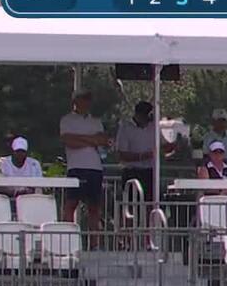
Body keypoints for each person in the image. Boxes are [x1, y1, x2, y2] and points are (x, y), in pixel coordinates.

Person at [59, 91, 109, 231]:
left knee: (94, 207)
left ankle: (94, 244)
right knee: (71, 204)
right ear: (75, 101)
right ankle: (66, 238)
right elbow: (68, 141)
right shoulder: (67, 120)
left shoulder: (95, 121)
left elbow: (102, 140)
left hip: (95, 168)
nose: (87, 102)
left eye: (88, 99)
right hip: (76, 167)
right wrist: (91, 140)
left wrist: (81, 138)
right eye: (83, 99)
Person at [114, 100, 157, 204]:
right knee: (130, 204)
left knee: (149, 203)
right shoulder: (126, 128)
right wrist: (143, 156)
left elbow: (162, 148)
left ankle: (148, 220)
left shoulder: (154, 128)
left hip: (149, 172)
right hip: (131, 172)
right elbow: (121, 154)